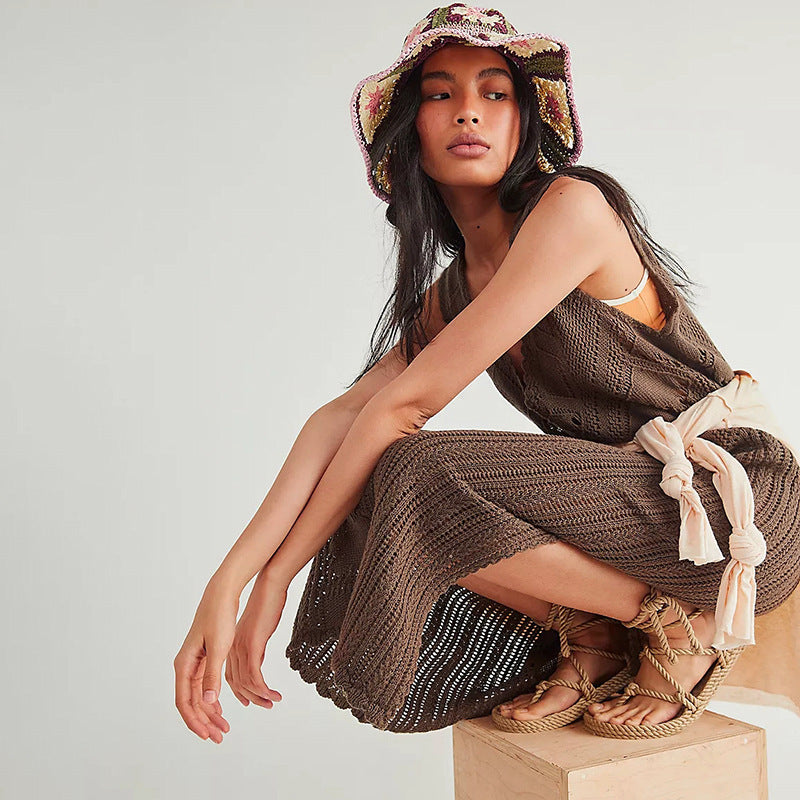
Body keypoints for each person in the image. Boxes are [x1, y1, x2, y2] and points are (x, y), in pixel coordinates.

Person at [174, 4, 800, 743]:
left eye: (494, 93)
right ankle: (596, 632)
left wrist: (278, 579)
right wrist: (231, 577)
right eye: (440, 94)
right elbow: (341, 418)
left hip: (729, 510)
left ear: (525, 123)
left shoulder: (573, 209)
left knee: (410, 466)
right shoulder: (458, 290)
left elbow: (401, 410)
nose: (468, 112)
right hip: (630, 514)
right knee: (365, 474)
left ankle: (674, 624)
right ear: (409, 133)